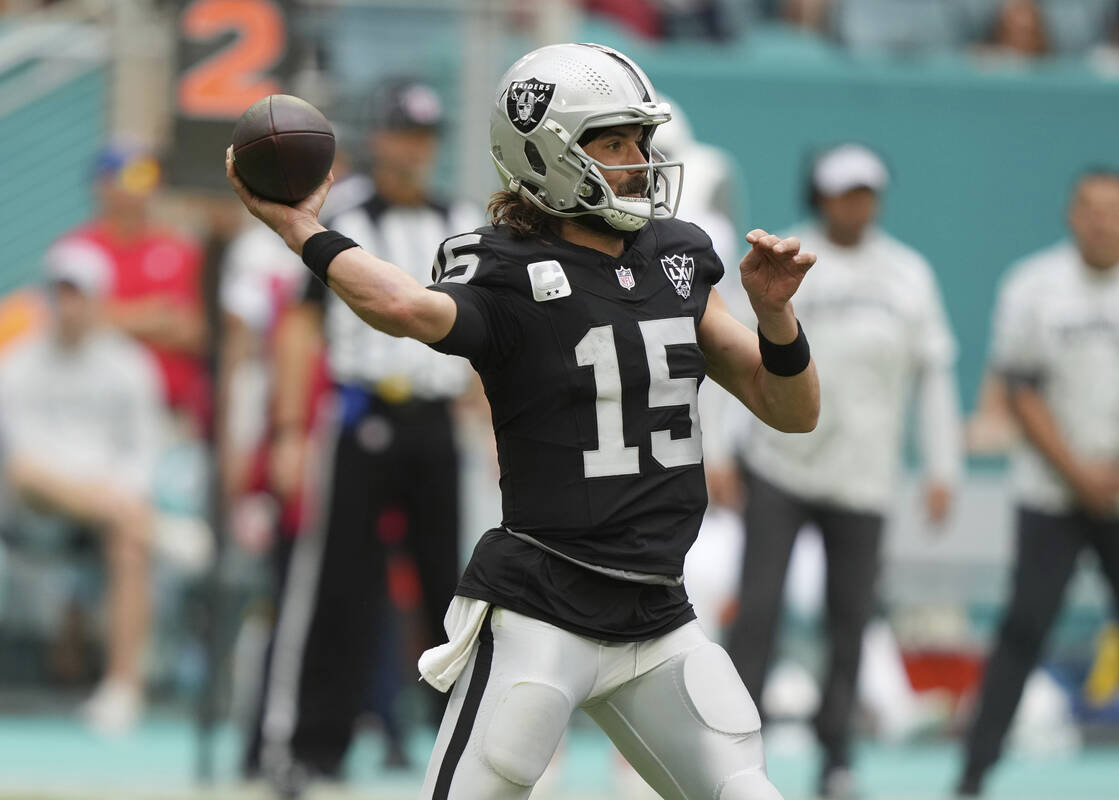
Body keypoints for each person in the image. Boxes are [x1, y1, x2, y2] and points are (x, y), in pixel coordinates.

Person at [227, 41, 819, 800]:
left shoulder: (678, 257)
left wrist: (776, 317)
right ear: (546, 151)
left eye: (640, 139)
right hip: (546, 610)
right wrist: (300, 229)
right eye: (613, 141)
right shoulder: (504, 267)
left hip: (658, 613)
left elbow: (790, 409)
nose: (639, 159)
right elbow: (405, 307)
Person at [242, 80, 482, 785]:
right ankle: (311, 748)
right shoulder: (339, 214)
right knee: (336, 586)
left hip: (437, 420)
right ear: (380, 138)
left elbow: (486, 332)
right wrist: (288, 429)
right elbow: (301, 323)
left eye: (426, 136)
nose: (415, 150)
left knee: (455, 594)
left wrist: (492, 427)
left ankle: (462, 754)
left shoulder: (460, 220)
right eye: (404, 134)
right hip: (358, 411)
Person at [718, 142, 962, 799]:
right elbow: (732, 358)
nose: (857, 204)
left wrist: (943, 466)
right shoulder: (782, 261)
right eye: (844, 191)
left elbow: (933, 373)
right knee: (759, 610)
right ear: (819, 196)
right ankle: (734, 752)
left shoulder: (908, 274)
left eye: (867, 192)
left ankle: (836, 754)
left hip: (866, 475)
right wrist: (719, 452)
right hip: (779, 464)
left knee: (851, 618)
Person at [956, 169, 1119, 797]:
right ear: (1071, 215)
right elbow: (1020, 388)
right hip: (1051, 495)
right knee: (1023, 628)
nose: (1101, 220)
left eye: (1114, 209)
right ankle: (972, 775)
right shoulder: (1034, 286)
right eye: (1089, 208)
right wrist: (1078, 471)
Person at [0, 238, 165, 734]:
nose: (65, 303)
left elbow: (142, 456)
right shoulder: (17, 364)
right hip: (33, 509)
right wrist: (107, 502)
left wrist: (115, 501)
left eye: (76, 292)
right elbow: (22, 465)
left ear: (97, 298)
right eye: (59, 291)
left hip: (107, 510)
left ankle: (122, 687)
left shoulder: (131, 366)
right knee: (35, 479)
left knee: (130, 543)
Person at [59, 145, 207, 428]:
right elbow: (69, 322)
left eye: (149, 175)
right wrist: (155, 318)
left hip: (167, 411)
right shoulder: (76, 250)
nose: (144, 187)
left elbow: (194, 331)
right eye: (133, 176)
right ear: (103, 184)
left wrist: (111, 318)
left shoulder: (179, 249)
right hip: (91, 413)